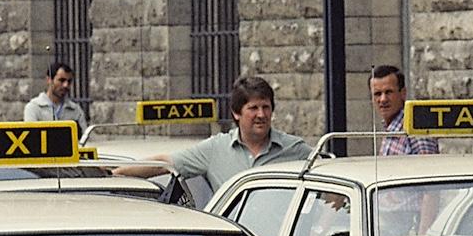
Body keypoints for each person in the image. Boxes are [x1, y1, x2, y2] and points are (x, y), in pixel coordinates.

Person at [120, 75, 309, 187]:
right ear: (236, 113)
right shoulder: (215, 149)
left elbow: (331, 171)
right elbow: (164, 164)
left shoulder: (294, 149)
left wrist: (319, 228)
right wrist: (115, 173)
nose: (261, 114)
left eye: (266, 107)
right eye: (253, 108)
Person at [369, 65, 438, 156]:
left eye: (389, 92)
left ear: (403, 93)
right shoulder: (391, 129)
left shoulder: (415, 131)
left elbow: (428, 168)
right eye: (377, 94)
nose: (383, 99)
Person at [22, 62, 87, 132]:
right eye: (61, 80)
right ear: (49, 80)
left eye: (69, 81)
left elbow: (84, 138)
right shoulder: (34, 107)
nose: (66, 85)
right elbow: (31, 137)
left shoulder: (75, 110)